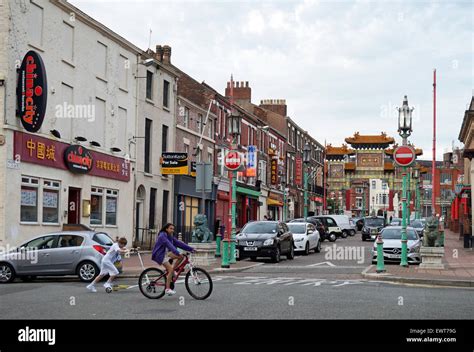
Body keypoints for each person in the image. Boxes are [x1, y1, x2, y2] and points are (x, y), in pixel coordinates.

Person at [151, 223, 195, 296]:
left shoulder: (169, 236)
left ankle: (173, 271)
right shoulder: (162, 235)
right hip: (159, 255)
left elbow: (179, 243)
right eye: (171, 228)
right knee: (170, 269)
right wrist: (176, 252)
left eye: (173, 229)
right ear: (166, 229)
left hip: (165, 254)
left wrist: (191, 249)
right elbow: (169, 245)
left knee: (181, 257)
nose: (172, 230)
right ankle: (167, 289)